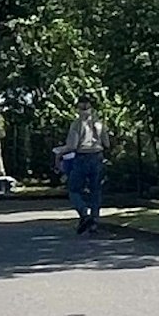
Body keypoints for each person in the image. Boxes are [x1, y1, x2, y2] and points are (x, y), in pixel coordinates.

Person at [62, 94, 106, 235]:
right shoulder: (100, 124)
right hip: (97, 156)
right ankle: (94, 221)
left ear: (78, 107)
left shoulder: (77, 124)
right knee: (95, 190)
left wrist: (60, 153)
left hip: (82, 157)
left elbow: (72, 145)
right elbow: (107, 143)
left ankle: (84, 213)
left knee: (74, 189)